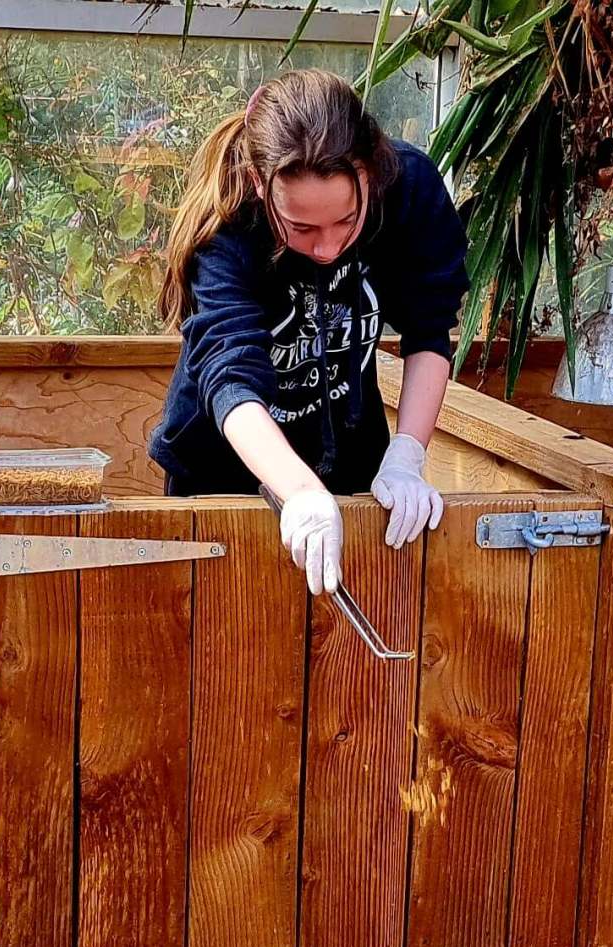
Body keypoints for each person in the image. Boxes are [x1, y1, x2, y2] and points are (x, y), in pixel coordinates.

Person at [151, 69, 469, 597]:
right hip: (223, 476)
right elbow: (229, 375)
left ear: (370, 173)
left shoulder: (410, 191)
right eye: (301, 228)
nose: (327, 248)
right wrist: (299, 491)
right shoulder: (231, 218)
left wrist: (408, 454)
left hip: (354, 464)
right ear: (260, 185)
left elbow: (430, 332)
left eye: (347, 221)